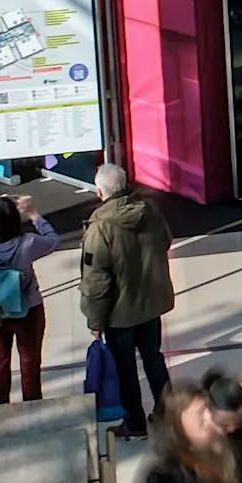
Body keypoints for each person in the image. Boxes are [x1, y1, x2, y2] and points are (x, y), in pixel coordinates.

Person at [79, 161, 177, 440]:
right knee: (153, 358)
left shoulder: (100, 229)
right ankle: (168, 413)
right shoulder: (151, 209)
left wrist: (94, 319)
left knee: (125, 369)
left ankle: (135, 425)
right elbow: (166, 241)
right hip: (151, 303)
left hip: (120, 314)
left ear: (100, 191)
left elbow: (96, 281)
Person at [0, 192, 58, 406]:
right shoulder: (28, 244)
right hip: (28, 310)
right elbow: (53, 240)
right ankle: (32, 409)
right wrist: (33, 213)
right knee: (30, 364)